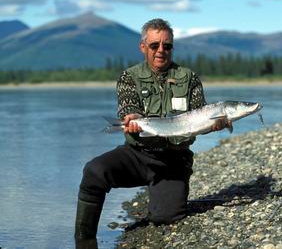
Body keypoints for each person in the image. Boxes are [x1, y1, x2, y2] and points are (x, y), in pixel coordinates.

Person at [74, 18, 230, 242]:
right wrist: (132, 118)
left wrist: (214, 125)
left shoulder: (190, 78)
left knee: (166, 218)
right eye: (154, 45)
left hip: (174, 160)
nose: (161, 51)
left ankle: (161, 198)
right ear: (143, 47)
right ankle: (83, 239)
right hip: (137, 155)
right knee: (94, 171)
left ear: (172, 48)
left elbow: (199, 122)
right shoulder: (129, 77)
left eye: (167, 46)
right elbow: (128, 107)